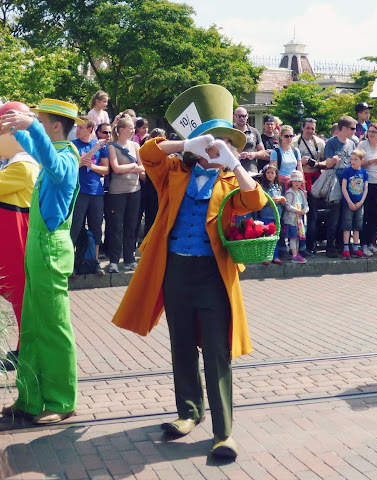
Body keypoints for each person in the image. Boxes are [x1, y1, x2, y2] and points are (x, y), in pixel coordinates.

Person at [112, 84, 267, 459]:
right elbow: (148, 151)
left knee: (216, 350)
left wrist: (235, 164)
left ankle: (223, 431)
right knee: (181, 345)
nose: (216, 149)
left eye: (223, 144)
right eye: (212, 144)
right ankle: (188, 413)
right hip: (176, 270)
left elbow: (256, 201)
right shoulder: (173, 173)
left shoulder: (231, 180)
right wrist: (184, 146)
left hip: (214, 277)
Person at [1, 98, 83, 424]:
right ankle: (30, 400)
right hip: (37, 247)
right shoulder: (53, 153)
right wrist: (16, 127)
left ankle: (63, 402)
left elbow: (49, 159)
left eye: (42, 121)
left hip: (50, 248)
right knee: (32, 327)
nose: (38, 124)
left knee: (53, 327)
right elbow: (37, 150)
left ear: (55, 125)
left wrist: (28, 125)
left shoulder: (68, 158)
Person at [0, 101, 39, 371]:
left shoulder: (22, 166)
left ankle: (27, 349)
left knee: (20, 297)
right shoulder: (16, 163)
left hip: (15, 239)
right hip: (11, 237)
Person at [70, 116, 109, 274]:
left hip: (96, 193)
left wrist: (92, 166)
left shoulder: (101, 146)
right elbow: (74, 166)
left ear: (90, 130)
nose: (77, 130)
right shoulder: (73, 145)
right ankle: (71, 263)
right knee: (75, 227)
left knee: (96, 228)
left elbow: (105, 170)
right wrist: (93, 152)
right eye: (77, 127)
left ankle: (95, 261)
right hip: (79, 192)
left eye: (80, 127)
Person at [106, 116, 145, 273]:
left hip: (134, 191)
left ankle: (129, 259)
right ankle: (114, 260)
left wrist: (128, 167)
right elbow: (116, 168)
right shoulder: (112, 146)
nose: (133, 130)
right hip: (117, 193)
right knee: (116, 227)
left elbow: (142, 168)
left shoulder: (135, 145)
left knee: (131, 226)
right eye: (130, 128)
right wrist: (133, 166)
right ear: (121, 130)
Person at [323, 115, 358, 257]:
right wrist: (333, 161)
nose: (355, 131)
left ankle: (343, 244)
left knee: (346, 216)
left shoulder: (352, 144)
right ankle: (330, 245)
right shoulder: (331, 143)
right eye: (352, 128)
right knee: (335, 216)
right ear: (343, 128)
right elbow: (327, 164)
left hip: (349, 183)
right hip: (336, 183)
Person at [293, 118, 325, 254]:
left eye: (312, 128)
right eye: (308, 128)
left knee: (312, 214)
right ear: (303, 128)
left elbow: (325, 162)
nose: (310, 131)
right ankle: (296, 246)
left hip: (314, 180)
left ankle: (310, 244)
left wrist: (315, 163)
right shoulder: (295, 142)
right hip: (298, 181)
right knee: (296, 214)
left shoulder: (320, 143)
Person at [359, 122, 377, 256]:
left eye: (373, 132)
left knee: (376, 215)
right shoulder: (363, 145)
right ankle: (363, 243)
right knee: (365, 214)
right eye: (369, 131)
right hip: (366, 182)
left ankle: (372, 241)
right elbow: (358, 164)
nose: (370, 134)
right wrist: (371, 161)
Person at [340, 148, 369, 259]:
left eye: (355, 159)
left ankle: (356, 247)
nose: (353, 161)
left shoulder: (364, 172)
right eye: (351, 159)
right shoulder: (347, 171)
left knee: (357, 226)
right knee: (347, 225)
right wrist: (349, 201)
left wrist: (361, 202)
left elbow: (365, 188)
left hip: (359, 203)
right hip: (348, 202)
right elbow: (344, 188)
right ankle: (346, 248)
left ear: (361, 160)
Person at [259, 164, 284, 265]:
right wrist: (270, 201)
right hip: (266, 215)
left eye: (272, 173)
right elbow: (260, 202)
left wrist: (281, 199)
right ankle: (265, 256)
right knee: (266, 237)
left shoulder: (278, 187)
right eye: (268, 173)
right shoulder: (262, 187)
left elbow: (283, 200)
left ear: (276, 175)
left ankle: (275, 256)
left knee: (275, 237)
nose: (270, 175)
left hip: (276, 216)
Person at [283, 170, 308, 263]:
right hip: (292, 219)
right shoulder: (289, 192)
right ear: (291, 182)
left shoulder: (301, 193)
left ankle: (296, 253)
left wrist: (305, 210)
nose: (297, 183)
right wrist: (297, 211)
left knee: (298, 237)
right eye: (295, 181)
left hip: (300, 220)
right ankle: (294, 254)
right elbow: (287, 205)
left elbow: (306, 204)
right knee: (293, 237)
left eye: (299, 181)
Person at [234, 106, 269, 173]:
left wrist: (254, 154)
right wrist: (237, 156)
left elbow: (263, 152)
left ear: (247, 116)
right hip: (233, 171)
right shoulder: (230, 131)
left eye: (244, 116)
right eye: (239, 116)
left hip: (251, 170)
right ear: (234, 116)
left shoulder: (254, 132)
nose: (241, 118)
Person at [269, 124, 302, 190]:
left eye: (291, 136)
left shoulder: (296, 151)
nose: (289, 138)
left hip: (295, 185)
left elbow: (300, 171)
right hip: (281, 185)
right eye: (286, 136)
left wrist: (303, 189)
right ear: (281, 137)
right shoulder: (275, 152)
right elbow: (273, 172)